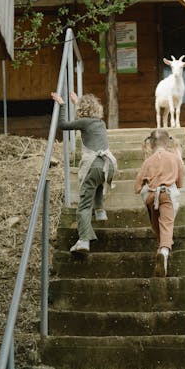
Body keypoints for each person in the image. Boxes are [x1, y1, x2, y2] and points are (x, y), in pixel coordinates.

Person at [51, 89, 116, 259]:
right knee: (99, 182)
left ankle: (84, 240)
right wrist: (77, 101)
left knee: (83, 205)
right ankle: (100, 210)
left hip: (94, 164)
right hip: (109, 164)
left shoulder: (83, 122)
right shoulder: (100, 123)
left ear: (81, 111)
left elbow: (63, 125)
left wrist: (62, 105)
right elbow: (87, 111)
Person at [134, 129, 185, 277]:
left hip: (152, 196)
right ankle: (164, 251)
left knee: (156, 223)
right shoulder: (174, 158)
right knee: (167, 223)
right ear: (168, 143)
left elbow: (137, 187)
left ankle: (161, 247)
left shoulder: (148, 161)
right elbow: (180, 183)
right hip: (167, 195)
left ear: (151, 144)